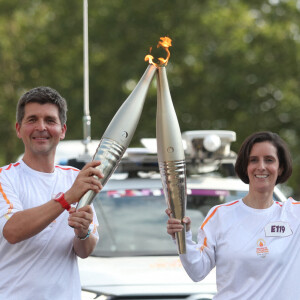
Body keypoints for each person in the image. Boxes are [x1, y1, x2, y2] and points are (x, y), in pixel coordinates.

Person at [166, 131, 300, 300]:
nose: (261, 166)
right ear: (245, 166)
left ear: (280, 168)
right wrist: (182, 236)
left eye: (269, 160)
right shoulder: (220, 215)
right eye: (253, 160)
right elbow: (197, 272)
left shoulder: (294, 216)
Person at [0, 86, 103, 300]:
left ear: (62, 130)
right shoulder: (5, 178)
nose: (41, 127)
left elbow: (85, 250)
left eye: (50, 120)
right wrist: (67, 198)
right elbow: (12, 231)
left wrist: (82, 232)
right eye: (32, 120)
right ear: (19, 129)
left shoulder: (76, 178)